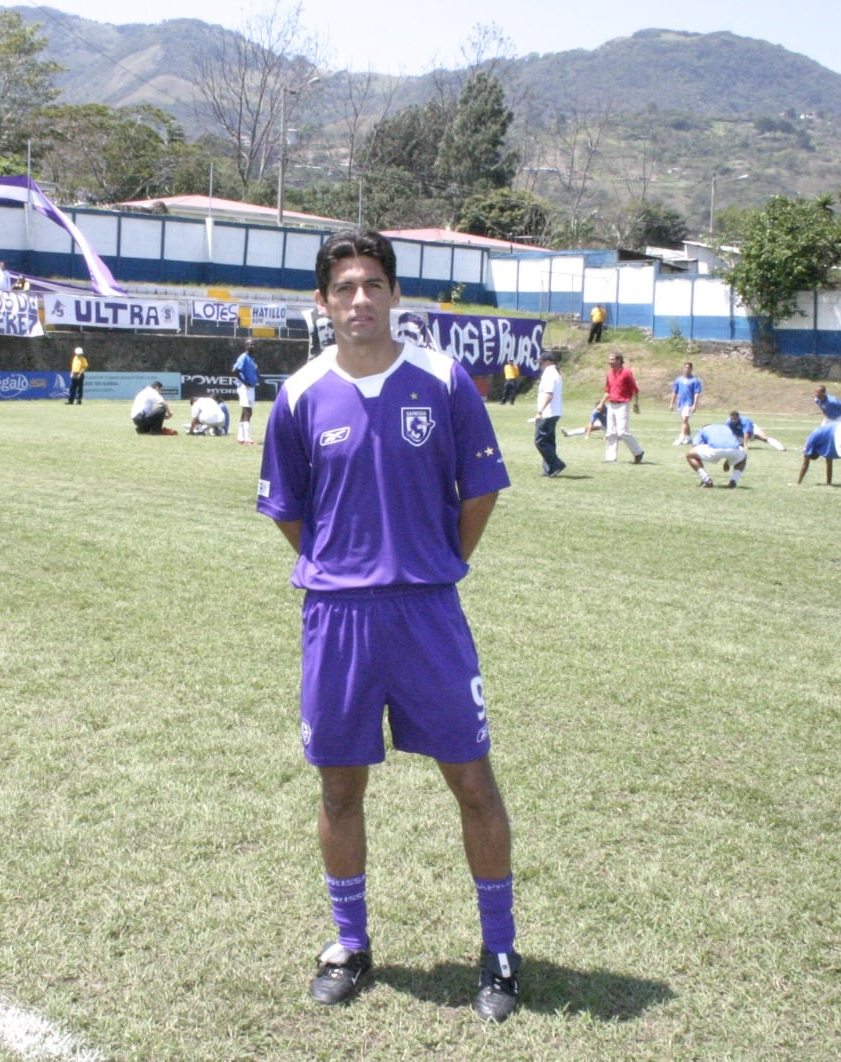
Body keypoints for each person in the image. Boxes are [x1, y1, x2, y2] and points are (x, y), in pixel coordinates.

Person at [255, 229, 520, 1022]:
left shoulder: (442, 381)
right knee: (340, 789)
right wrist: (344, 567)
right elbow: (290, 512)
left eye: (373, 284)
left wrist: (432, 562)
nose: (360, 299)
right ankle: (351, 943)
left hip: (428, 612)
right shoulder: (301, 393)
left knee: (472, 781)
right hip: (337, 618)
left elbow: (481, 490)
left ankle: (500, 950)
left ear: (395, 294)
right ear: (323, 301)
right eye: (345, 288)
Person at [603, 352, 645, 463]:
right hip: (611, 404)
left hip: (622, 405)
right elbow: (608, 391)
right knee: (611, 432)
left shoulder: (626, 373)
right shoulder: (609, 374)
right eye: (609, 359)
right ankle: (611, 457)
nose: (609, 361)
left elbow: (634, 390)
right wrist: (601, 403)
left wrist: (636, 404)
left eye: (612, 359)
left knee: (622, 432)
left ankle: (638, 452)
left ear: (619, 361)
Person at [532, 349, 566, 477]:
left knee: (540, 440)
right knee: (549, 441)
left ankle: (556, 463)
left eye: (541, 363)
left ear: (547, 362)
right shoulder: (555, 373)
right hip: (555, 411)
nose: (539, 365)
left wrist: (539, 411)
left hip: (548, 412)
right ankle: (549, 468)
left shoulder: (549, 374)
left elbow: (549, 394)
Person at [686, 417, 748, 488]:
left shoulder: (703, 429)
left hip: (715, 449)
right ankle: (734, 480)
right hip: (734, 449)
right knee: (743, 456)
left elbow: (695, 445)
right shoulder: (726, 428)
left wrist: (701, 458)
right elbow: (735, 443)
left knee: (690, 455)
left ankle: (706, 480)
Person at [232, 337, 261, 444]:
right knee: (248, 411)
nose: (252, 346)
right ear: (246, 346)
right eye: (250, 344)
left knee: (245, 411)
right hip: (245, 387)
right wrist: (245, 382)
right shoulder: (243, 357)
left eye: (253, 344)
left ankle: (240, 437)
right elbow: (235, 371)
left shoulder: (252, 358)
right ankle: (248, 439)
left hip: (251, 387)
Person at [669, 362, 703, 445]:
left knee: (685, 420)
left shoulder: (695, 381)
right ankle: (688, 438)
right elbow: (675, 392)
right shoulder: (679, 380)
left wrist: (695, 404)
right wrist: (671, 403)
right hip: (681, 403)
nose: (686, 369)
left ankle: (681, 438)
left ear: (691, 369)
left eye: (688, 368)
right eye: (685, 367)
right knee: (685, 421)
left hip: (689, 403)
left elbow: (697, 393)